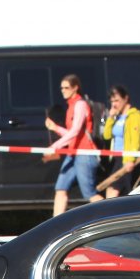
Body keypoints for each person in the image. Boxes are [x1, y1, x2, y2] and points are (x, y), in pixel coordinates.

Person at [43, 74, 96, 215]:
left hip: (84, 153)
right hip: (73, 153)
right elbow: (72, 134)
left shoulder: (80, 105)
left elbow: (75, 131)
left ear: (75, 88)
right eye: (61, 88)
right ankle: (55, 224)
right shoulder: (71, 106)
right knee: (60, 189)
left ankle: (111, 216)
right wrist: (55, 128)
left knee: (90, 195)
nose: (63, 91)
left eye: (66, 88)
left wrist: (54, 146)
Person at [91, 85, 140, 200]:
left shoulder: (134, 116)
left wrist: (130, 160)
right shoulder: (117, 117)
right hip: (115, 158)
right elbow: (107, 135)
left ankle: (109, 211)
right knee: (120, 192)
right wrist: (111, 117)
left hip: (126, 158)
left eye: (117, 100)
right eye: (112, 101)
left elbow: (135, 140)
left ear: (126, 98)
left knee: (113, 190)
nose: (114, 104)